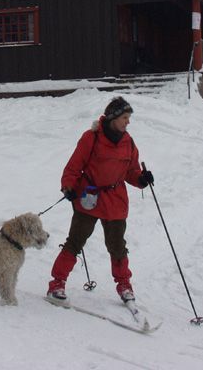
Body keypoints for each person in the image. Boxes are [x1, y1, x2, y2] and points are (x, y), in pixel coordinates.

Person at [46, 96, 155, 303]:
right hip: (89, 196)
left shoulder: (128, 142)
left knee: (117, 245)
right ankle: (56, 283)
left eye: (128, 117)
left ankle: (124, 286)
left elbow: (131, 171)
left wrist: (141, 178)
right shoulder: (91, 137)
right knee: (75, 241)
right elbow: (73, 166)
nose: (128, 122)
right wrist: (68, 187)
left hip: (115, 201)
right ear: (114, 117)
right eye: (125, 117)